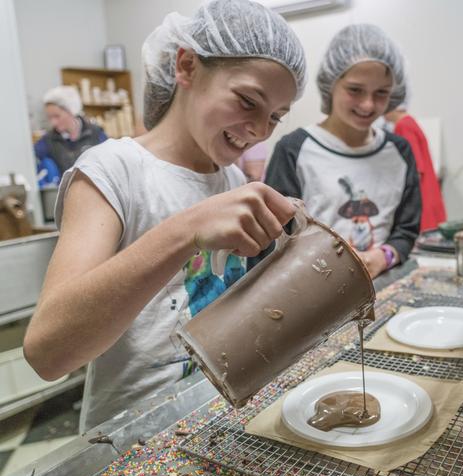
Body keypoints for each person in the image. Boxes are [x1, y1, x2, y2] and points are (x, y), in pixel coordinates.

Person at [23, 0, 306, 432]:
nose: (260, 130)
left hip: (221, 427)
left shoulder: (233, 183)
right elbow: (48, 352)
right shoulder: (114, 171)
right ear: (187, 66)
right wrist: (187, 230)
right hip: (131, 446)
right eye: (248, 101)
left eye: (275, 117)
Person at [264, 24, 421, 278]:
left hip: (383, 281)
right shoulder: (294, 150)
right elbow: (276, 238)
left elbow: (406, 230)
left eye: (381, 93)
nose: (368, 104)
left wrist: (383, 257)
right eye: (355, 90)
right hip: (313, 287)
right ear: (331, 83)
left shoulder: (399, 152)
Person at [384, 102, 447, 231]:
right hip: (429, 192)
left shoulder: (403, 126)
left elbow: (415, 166)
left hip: (422, 196)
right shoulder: (410, 122)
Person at [34, 86, 107, 178]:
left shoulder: (96, 134)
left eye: (57, 116)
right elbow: (32, 161)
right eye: (50, 118)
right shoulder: (48, 141)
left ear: (71, 111)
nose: (53, 122)